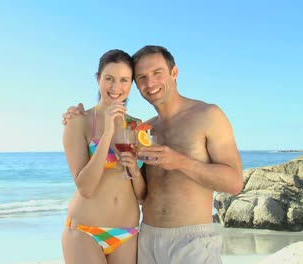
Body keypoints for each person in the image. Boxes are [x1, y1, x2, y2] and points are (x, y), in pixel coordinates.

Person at [62, 45, 243, 264]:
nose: (150, 83)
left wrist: (180, 162)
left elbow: (234, 183)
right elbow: (138, 192)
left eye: (157, 73)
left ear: (174, 73)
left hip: (189, 241)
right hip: (146, 239)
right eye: (142, 77)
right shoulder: (145, 130)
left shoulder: (207, 115)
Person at [61, 49, 146, 264]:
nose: (116, 87)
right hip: (85, 231)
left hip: (127, 233)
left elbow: (143, 196)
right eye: (109, 79)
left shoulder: (137, 126)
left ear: (131, 84)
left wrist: (135, 172)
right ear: (98, 79)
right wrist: (107, 132)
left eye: (124, 80)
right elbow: (86, 188)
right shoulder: (79, 122)